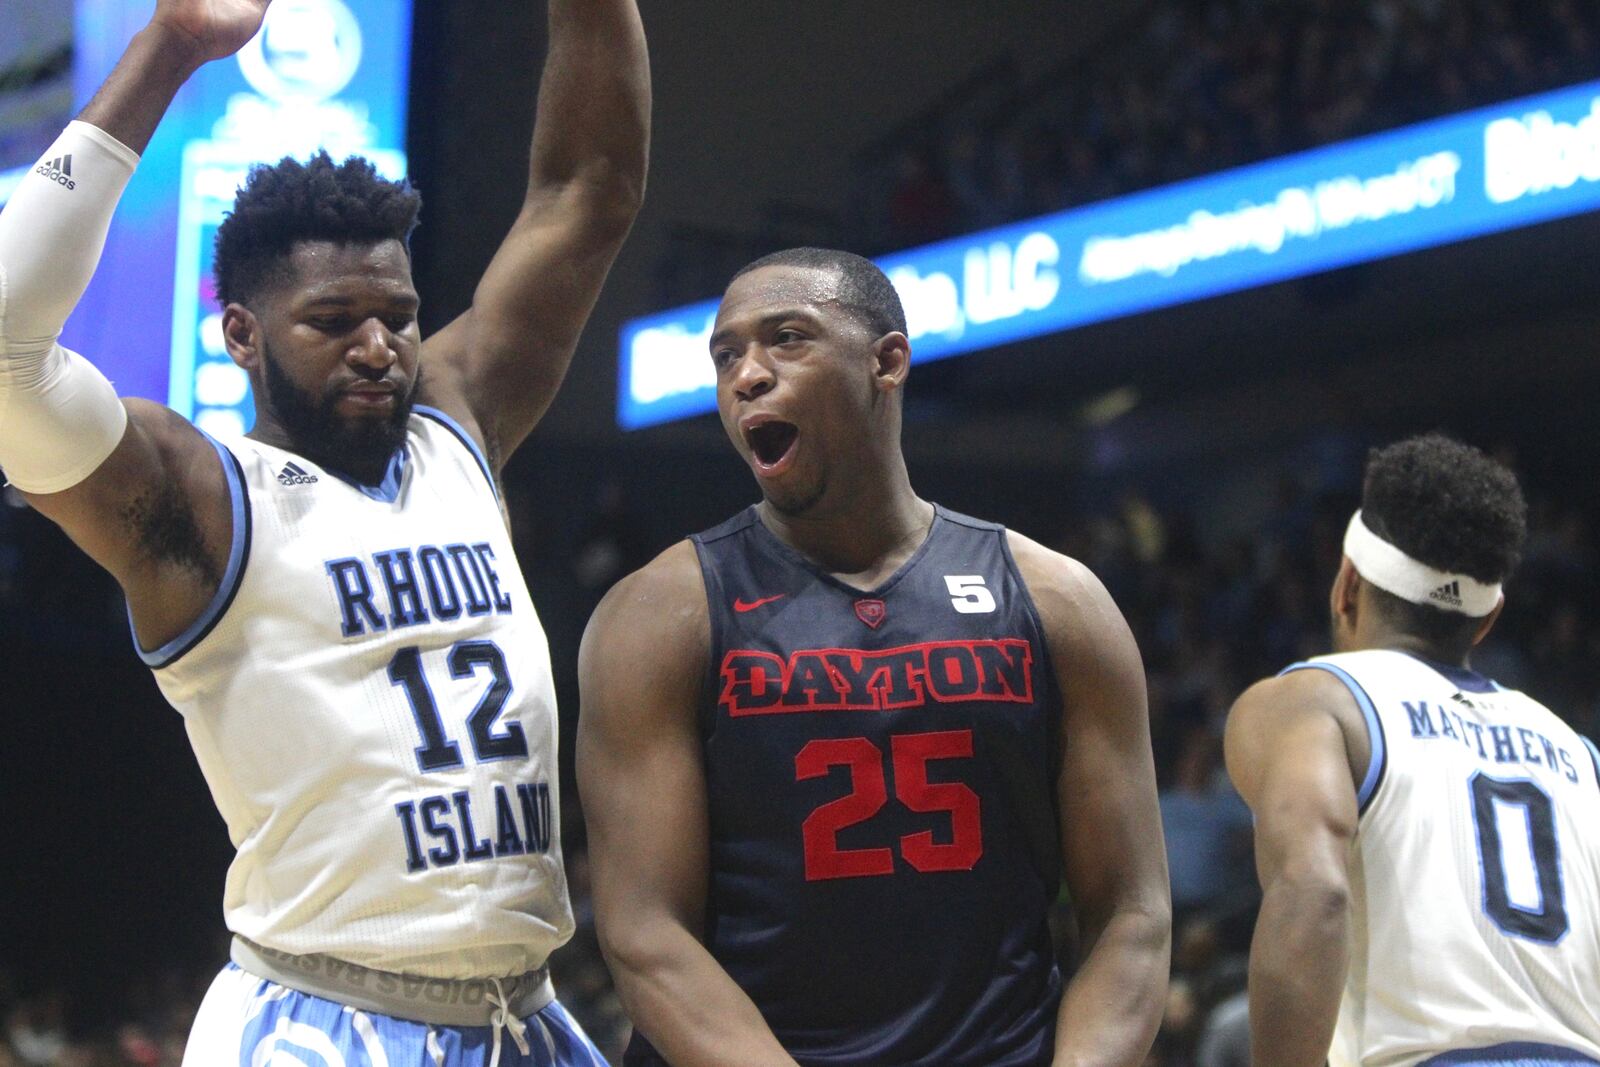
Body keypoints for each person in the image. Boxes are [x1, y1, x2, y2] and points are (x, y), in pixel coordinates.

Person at [0, 0, 648, 1063]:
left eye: (396, 313)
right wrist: (169, 48)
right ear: (242, 335)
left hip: (521, 1014)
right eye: (334, 321)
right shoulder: (198, 501)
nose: (380, 346)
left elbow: (588, 192)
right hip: (322, 1020)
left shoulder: (457, 420)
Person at [576, 247, 1171, 1067]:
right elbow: (646, 934)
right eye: (725, 355)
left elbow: (1130, 912)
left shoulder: (1057, 601)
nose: (747, 374)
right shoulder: (659, 614)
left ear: (886, 361)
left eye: (786, 338)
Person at [1225, 434, 1600, 1067]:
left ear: (1346, 583)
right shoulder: (1583, 758)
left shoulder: (1317, 703)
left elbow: (1314, 892)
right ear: (1488, 619)